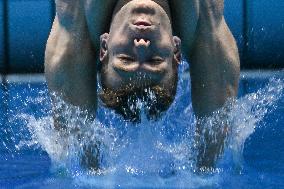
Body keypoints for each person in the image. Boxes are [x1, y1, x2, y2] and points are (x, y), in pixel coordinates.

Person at [45, 0, 240, 170]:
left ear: (105, 47)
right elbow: (213, 140)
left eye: (126, 58)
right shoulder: (204, 22)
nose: (141, 45)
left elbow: (74, 141)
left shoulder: (75, 19)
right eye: (154, 61)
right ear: (175, 51)